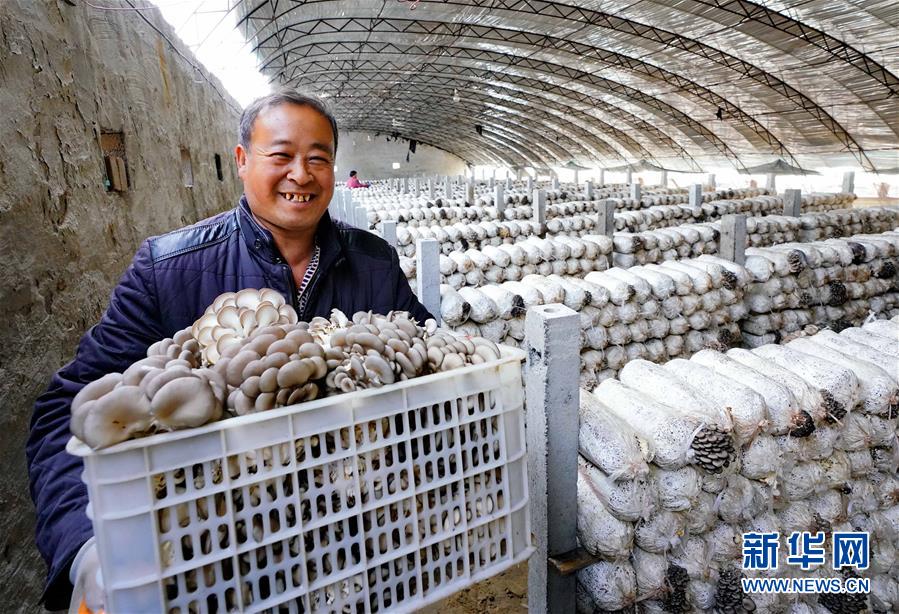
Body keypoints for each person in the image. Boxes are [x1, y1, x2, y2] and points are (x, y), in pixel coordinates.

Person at [26, 90, 432, 611]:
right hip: (216, 560)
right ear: (242, 160)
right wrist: (86, 547)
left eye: (318, 158)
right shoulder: (166, 270)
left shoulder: (374, 262)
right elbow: (65, 414)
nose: (301, 174)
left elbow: (425, 359)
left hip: (354, 550)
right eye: (281, 155)